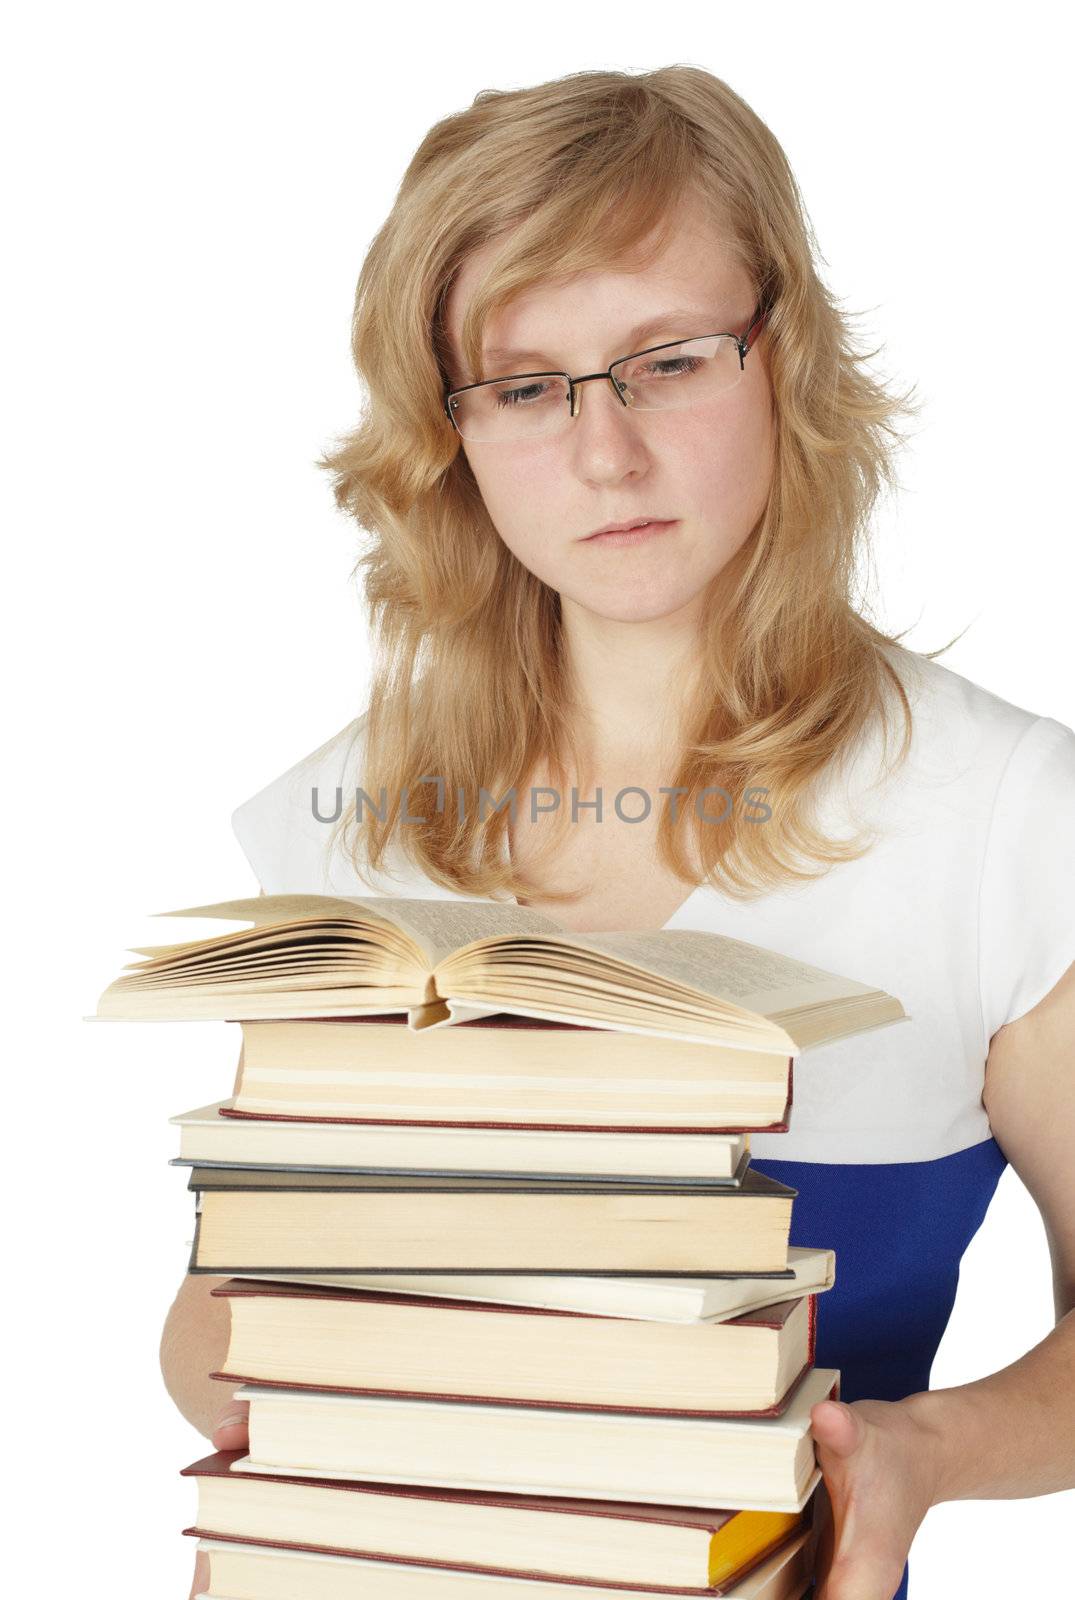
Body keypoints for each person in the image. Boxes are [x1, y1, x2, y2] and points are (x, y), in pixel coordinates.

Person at [160, 67, 1075, 1600]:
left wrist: (923, 1452)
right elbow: (214, 1326)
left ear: (785, 356)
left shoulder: (1004, 823)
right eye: (527, 386)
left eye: (668, 361)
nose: (605, 453)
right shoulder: (345, 833)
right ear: (450, 432)